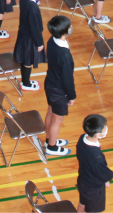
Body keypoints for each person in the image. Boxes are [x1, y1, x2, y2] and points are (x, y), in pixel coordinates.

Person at [44, 15, 76, 156]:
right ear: (65, 31)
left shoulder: (52, 40)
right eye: (69, 26)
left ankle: (49, 139)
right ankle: (51, 147)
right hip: (58, 90)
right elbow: (68, 79)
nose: (71, 27)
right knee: (58, 120)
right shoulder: (65, 56)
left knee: (50, 112)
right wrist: (72, 96)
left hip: (50, 83)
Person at [76, 114, 113, 213]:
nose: (106, 128)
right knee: (92, 210)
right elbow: (105, 174)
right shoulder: (96, 157)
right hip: (92, 188)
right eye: (104, 127)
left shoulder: (83, 138)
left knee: (83, 202)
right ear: (97, 135)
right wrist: (107, 177)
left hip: (83, 180)